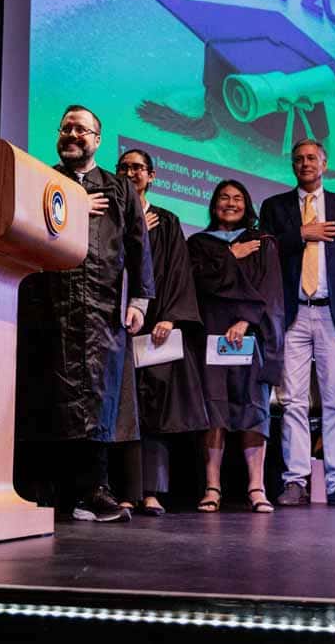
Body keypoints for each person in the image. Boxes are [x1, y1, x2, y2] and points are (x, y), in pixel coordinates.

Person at [16, 105, 155, 522]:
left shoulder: (117, 189)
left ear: (97, 139)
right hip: (49, 304)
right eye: (66, 127)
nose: (72, 134)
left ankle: (95, 490)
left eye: (82, 129)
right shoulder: (42, 181)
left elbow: (137, 246)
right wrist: (72, 206)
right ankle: (50, 493)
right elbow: (20, 230)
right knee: (49, 395)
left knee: (98, 398)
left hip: (100, 305)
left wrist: (140, 299)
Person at [259, 140, 335, 508]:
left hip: (333, 313)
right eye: (298, 159)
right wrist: (302, 235)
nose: (305, 163)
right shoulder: (275, 207)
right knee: (292, 401)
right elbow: (266, 251)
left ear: (324, 163)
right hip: (292, 313)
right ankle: (295, 481)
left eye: (311, 158)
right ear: (292, 166)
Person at [111, 149, 208, 516]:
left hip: (153, 328)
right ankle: (122, 492)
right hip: (111, 324)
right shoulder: (106, 215)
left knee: (153, 412)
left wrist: (170, 316)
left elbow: (179, 272)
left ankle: (151, 491)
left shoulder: (166, 221)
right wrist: (128, 233)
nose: (131, 172)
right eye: (124, 167)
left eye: (138, 168)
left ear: (151, 176)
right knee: (118, 410)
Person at [186, 180, 284, 514]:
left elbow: (269, 289)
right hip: (211, 331)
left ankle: (256, 487)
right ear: (213, 205)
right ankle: (212, 487)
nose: (230, 203)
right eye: (224, 198)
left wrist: (245, 321)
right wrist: (230, 256)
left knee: (253, 409)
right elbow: (196, 281)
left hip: (251, 334)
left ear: (248, 206)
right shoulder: (198, 243)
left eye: (238, 198)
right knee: (214, 409)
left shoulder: (262, 242)